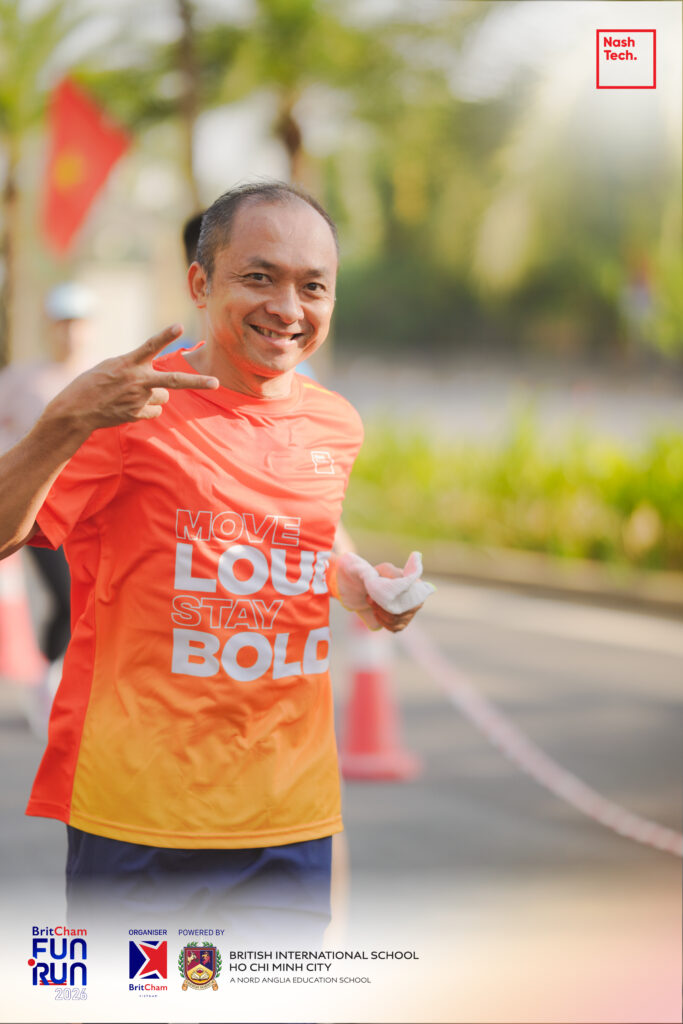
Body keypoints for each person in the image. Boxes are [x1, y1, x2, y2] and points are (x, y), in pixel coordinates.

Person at [0, 182, 424, 945]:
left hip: (287, 818)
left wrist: (353, 578)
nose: (287, 308)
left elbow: (298, 533)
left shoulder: (334, 423)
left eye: (313, 287)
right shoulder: (130, 411)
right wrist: (63, 422)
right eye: (259, 277)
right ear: (201, 284)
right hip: (139, 818)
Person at [0, 283, 96, 733]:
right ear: (49, 328)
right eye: (62, 324)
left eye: (77, 324)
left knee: (84, 599)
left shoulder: (101, 378)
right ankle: (47, 682)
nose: (70, 333)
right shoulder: (21, 379)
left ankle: (56, 677)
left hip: (88, 513)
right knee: (65, 592)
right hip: (37, 511)